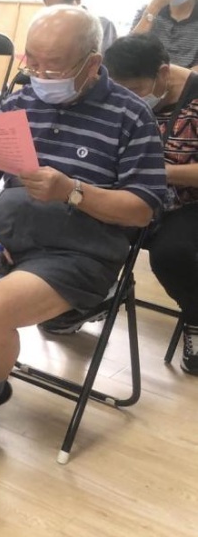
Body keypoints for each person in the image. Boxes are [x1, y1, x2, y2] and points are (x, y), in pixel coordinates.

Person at [0, 6, 166, 462]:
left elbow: (142, 210)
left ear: (92, 64)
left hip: (80, 253)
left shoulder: (131, 116)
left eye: (51, 67)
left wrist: (72, 191)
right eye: (30, 61)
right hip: (7, 237)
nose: (37, 75)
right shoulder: (19, 103)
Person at [104, 34, 198, 374]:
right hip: (130, 190)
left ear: (163, 73)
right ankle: (83, 297)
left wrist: (158, 171)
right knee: (83, 222)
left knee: (172, 253)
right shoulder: (113, 93)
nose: (129, 98)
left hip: (186, 201)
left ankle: (195, 319)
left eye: (136, 89)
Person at [42, 0, 118, 51]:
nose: (55, 15)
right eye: (50, 10)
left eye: (60, 9)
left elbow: (106, 58)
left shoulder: (104, 25)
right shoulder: (45, 28)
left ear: (77, 0)